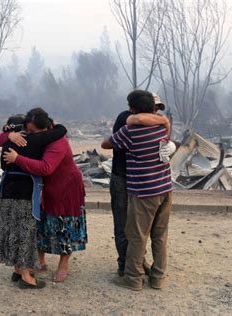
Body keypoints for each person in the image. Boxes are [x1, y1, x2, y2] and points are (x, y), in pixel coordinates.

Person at [2, 108, 87, 283]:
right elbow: (0, 138)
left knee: (64, 225)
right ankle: (40, 260)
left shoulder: (58, 142)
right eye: (28, 130)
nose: (30, 134)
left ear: (45, 128)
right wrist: (9, 136)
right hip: (44, 188)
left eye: (33, 131)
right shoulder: (40, 137)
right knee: (40, 224)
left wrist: (17, 159)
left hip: (65, 187)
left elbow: (46, 167)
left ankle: (63, 264)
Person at [102, 90, 173, 291]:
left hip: (143, 189)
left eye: (159, 110)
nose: (156, 114)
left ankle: (133, 277)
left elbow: (106, 144)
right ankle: (156, 276)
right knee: (158, 235)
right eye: (155, 109)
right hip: (163, 187)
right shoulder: (158, 125)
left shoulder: (131, 130)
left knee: (136, 234)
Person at [0, 114, 67, 289]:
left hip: (6, 191)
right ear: (25, 128)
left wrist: (6, 134)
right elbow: (61, 131)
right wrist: (52, 123)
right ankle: (27, 277)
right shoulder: (34, 140)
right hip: (24, 191)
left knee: (11, 230)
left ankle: (17, 270)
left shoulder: (7, 142)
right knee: (25, 233)